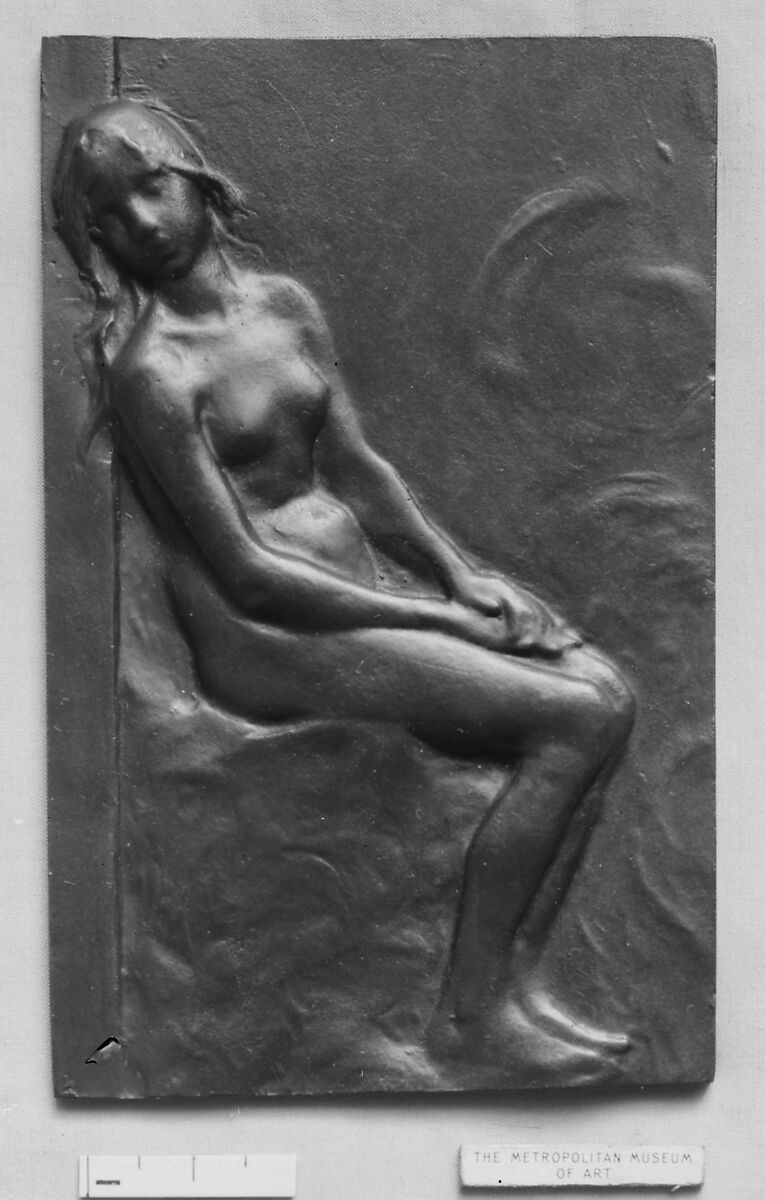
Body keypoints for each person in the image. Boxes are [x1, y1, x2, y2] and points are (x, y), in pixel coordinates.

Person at [53, 98, 635, 1079]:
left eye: (151, 187)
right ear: (99, 241)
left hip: (351, 596)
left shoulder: (285, 306)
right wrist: (439, 617)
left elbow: (359, 471)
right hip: (265, 639)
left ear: (195, 179)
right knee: (574, 718)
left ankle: (518, 984)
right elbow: (247, 574)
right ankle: (468, 1021)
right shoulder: (155, 370)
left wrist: (463, 576)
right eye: (111, 215)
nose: (142, 223)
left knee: (608, 694)